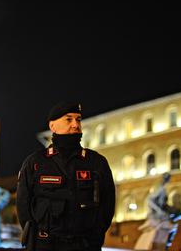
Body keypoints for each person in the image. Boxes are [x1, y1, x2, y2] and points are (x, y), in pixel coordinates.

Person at [16, 102, 115, 251]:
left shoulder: (96, 162)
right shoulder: (35, 163)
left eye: (78, 119)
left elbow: (107, 205)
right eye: (68, 120)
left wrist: (95, 237)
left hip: (83, 245)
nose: (75, 125)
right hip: (45, 245)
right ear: (52, 126)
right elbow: (23, 206)